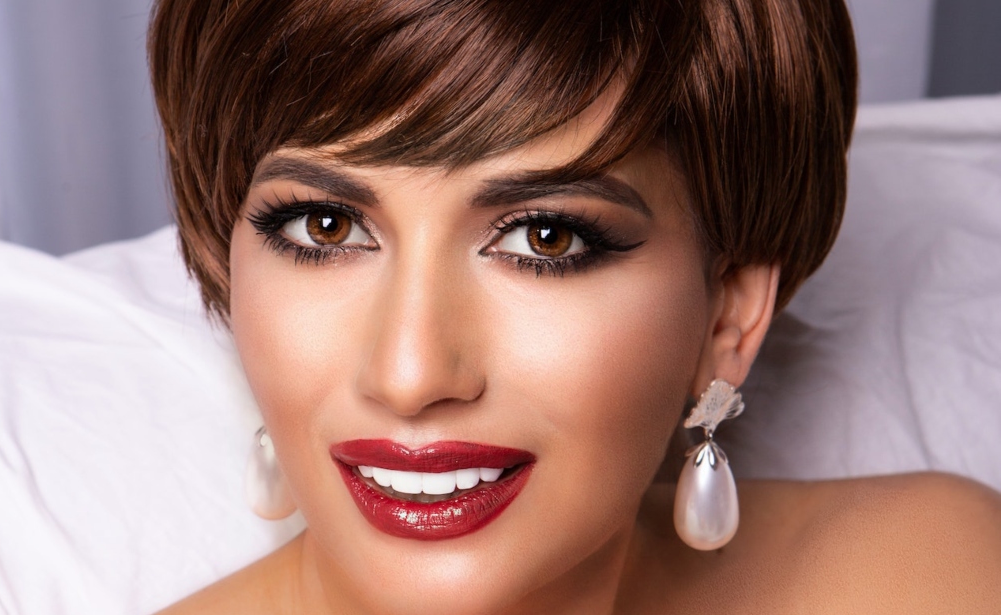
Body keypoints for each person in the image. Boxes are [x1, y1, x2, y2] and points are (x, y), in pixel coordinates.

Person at [147, 0, 1001, 612]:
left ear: (727, 315)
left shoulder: (932, 575)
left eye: (544, 238)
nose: (409, 374)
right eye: (324, 226)